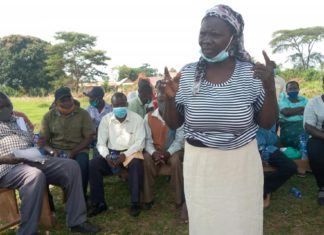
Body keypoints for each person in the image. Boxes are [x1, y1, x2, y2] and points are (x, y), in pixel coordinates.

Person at [160, 4, 278, 235]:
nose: (206, 39)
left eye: (215, 34)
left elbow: (266, 123)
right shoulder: (188, 73)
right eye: (203, 33)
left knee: (240, 224)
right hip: (200, 165)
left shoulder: (250, 73)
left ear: (233, 38)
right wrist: (169, 99)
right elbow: (175, 124)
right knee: (206, 225)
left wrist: (270, 87)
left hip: (240, 165)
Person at [0, 92, 99, 234]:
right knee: (34, 175)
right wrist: (7, 158)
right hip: (8, 167)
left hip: (31, 159)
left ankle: (77, 221)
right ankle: (28, 231)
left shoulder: (19, 120)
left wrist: (44, 147)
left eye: (8, 105)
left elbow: (34, 141)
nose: (5, 109)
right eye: (1, 107)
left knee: (71, 166)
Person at [88, 92, 145, 217]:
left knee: (136, 164)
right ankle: (99, 203)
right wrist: (107, 156)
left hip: (131, 153)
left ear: (127, 104)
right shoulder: (106, 119)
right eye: (116, 105)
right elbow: (101, 143)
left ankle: (135, 202)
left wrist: (125, 155)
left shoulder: (137, 119)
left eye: (122, 104)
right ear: (112, 106)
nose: (119, 107)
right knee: (93, 165)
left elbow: (140, 143)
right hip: (111, 154)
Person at [40, 87, 95, 199]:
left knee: (83, 164)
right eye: (63, 100)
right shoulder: (48, 116)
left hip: (78, 149)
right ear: (55, 103)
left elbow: (89, 137)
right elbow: (43, 141)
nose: (67, 102)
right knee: (39, 163)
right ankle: (48, 204)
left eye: (69, 98)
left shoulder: (83, 114)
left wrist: (73, 152)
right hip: (55, 149)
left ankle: (81, 197)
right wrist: (52, 151)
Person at [142, 89, 185, 211]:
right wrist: (154, 152)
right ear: (156, 100)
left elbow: (179, 141)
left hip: (173, 151)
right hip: (155, 151)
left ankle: (178, 199)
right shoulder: (148, 117)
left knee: (176, 160)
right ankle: (148, 198)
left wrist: (168, 153)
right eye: (161, 100)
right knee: (145, 159)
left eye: (167, 101)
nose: (164, 104)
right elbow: (147, 140)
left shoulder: (179, 118)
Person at [256, 126, 297, 208]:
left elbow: (273, 137)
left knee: (290, 167)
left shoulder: (270, 117)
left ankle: (265, 187)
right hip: (249, 149)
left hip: (269, 149)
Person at [303, 94, 324, 205]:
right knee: (316, 153)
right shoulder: (313, 103)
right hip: (319, 137)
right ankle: (322, 187)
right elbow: (309, 127)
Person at [84, 86, 112, 159]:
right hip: (93, 138)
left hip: (108, 137)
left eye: (92, 97)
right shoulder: (88, 110)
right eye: (89, 98)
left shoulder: (110, 109)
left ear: (100, 97)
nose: (90, 100)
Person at [279, 81, 308, 149]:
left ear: (298, 89)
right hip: (288, 127)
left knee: (307, 142)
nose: (293, 90)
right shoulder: (283, 101)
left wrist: (292, 111)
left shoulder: (304, 100)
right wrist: (302, 108)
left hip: (303, 126)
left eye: (295, 88)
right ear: (286, 91)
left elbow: (309, 111)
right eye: (290, 89)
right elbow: (286, 112)